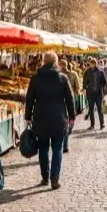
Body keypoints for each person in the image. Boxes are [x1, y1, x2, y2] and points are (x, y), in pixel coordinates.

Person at [25, 52, 76, 190]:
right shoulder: (62, 78)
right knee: (57, 149)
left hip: (40, 117)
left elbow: (29, 99)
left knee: (43, 148)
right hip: (58, 118)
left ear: (43, 61)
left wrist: (27, 117)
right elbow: (70, 100)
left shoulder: (35, 78)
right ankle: (54, 178)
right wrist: (72, 116)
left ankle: (45, 177)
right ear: (56, 62)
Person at [59, 60, 79, 152]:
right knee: (68, 122)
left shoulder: (59, 75)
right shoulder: (73, 74)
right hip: (70, 99)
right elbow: (77, 86)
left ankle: (64, 143)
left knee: (63, 123)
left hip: (62, 101)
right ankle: (65, 144)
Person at [83, 58, 107, 130]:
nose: (92, 65)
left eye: (93, 63)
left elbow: (104, 82)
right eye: (91, 63)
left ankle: (102, 124)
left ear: (95, 64)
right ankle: (92, 125)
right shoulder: (87, 72)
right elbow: (84, 82)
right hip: (90, 93)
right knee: (91, 109)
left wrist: (100, 87)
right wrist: (86, 87)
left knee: (100, 109)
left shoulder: (100, 72)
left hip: (98, 93)